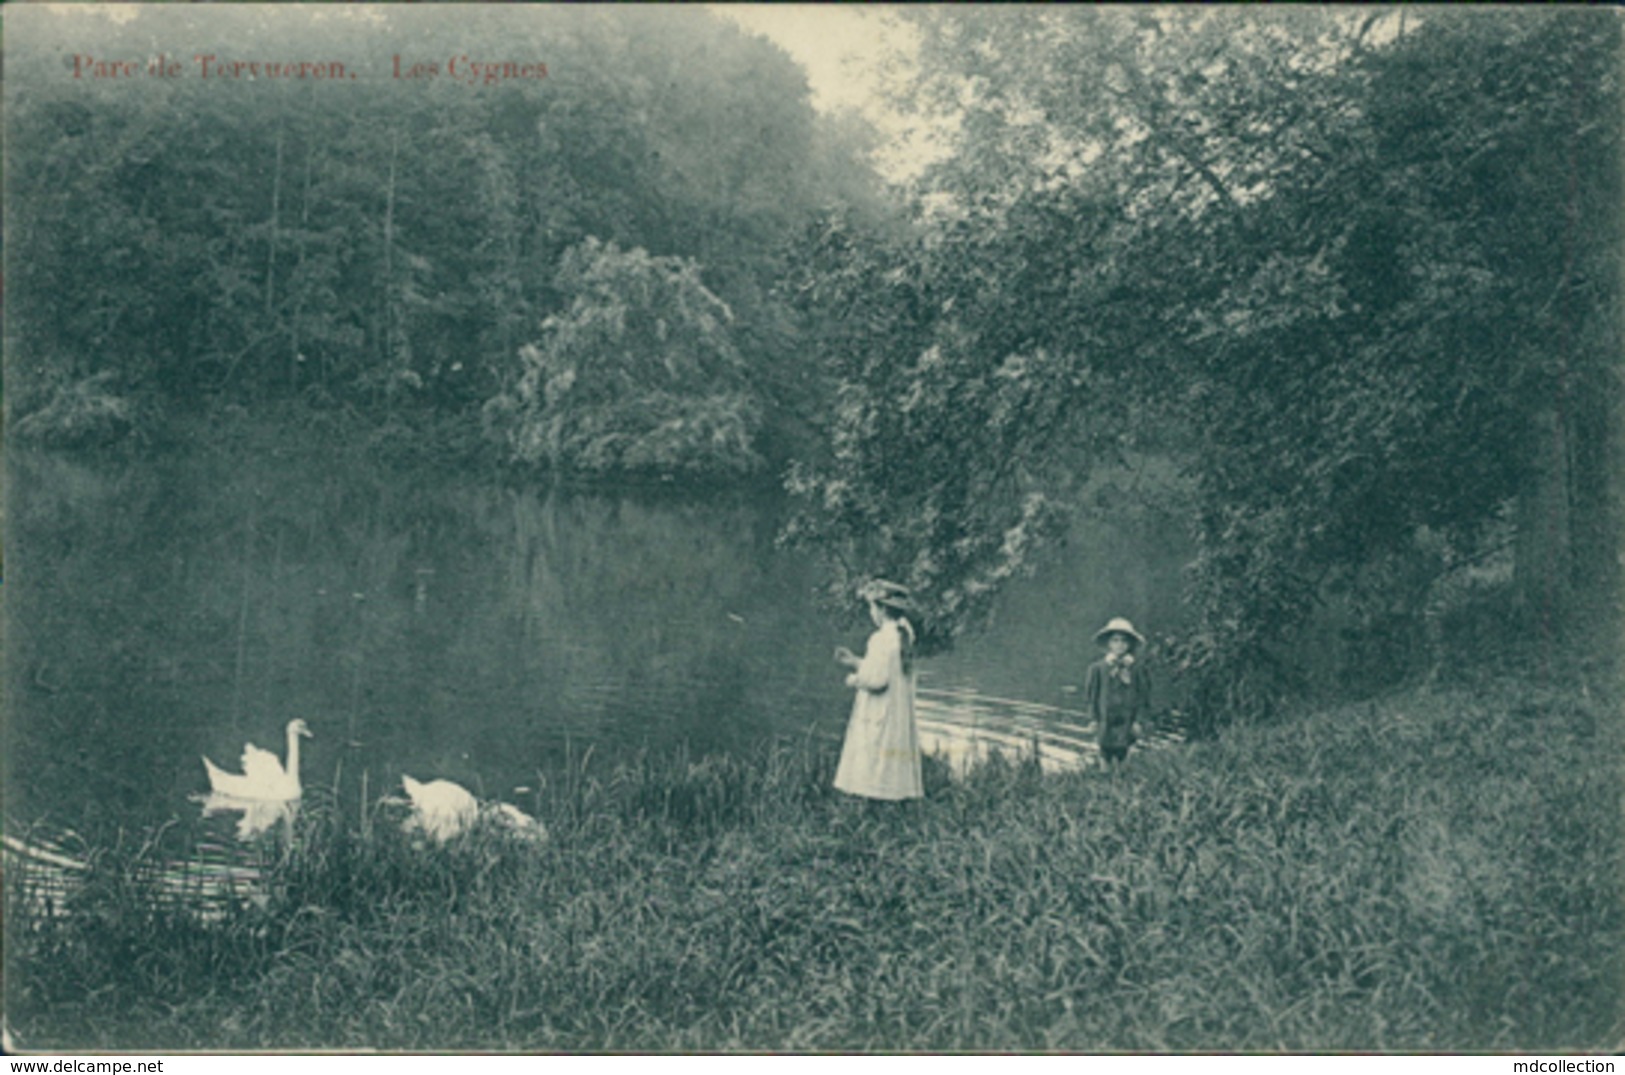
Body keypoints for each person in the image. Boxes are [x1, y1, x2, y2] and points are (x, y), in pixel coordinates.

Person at [832, 580, 923, 801]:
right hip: (897, 714)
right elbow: (887, 670)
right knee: (892, 762)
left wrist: (854, 679)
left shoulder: (880, 639)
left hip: (880, 712)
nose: (871, 613)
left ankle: (872, 805)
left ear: (882, 610)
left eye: (872, 608)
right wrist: (855, 661)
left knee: (873, 759)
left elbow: (877, 680)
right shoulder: (904, 635)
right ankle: (893, 805)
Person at [1085, 617, 1151, 767]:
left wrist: (1138, 721)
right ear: (1108, 643)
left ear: (1130, 644)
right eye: (1115, 640)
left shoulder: (1137, 669)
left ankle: (1122, 782)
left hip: (1127, 721)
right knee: (1104, 755)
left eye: (1124, 641)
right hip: (1105, 720)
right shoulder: (1098, 668)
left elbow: (1143, 697)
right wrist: (1093, 719)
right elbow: (1092, 696)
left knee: (1124, 754)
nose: (1119, 645)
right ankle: (1105, 780)